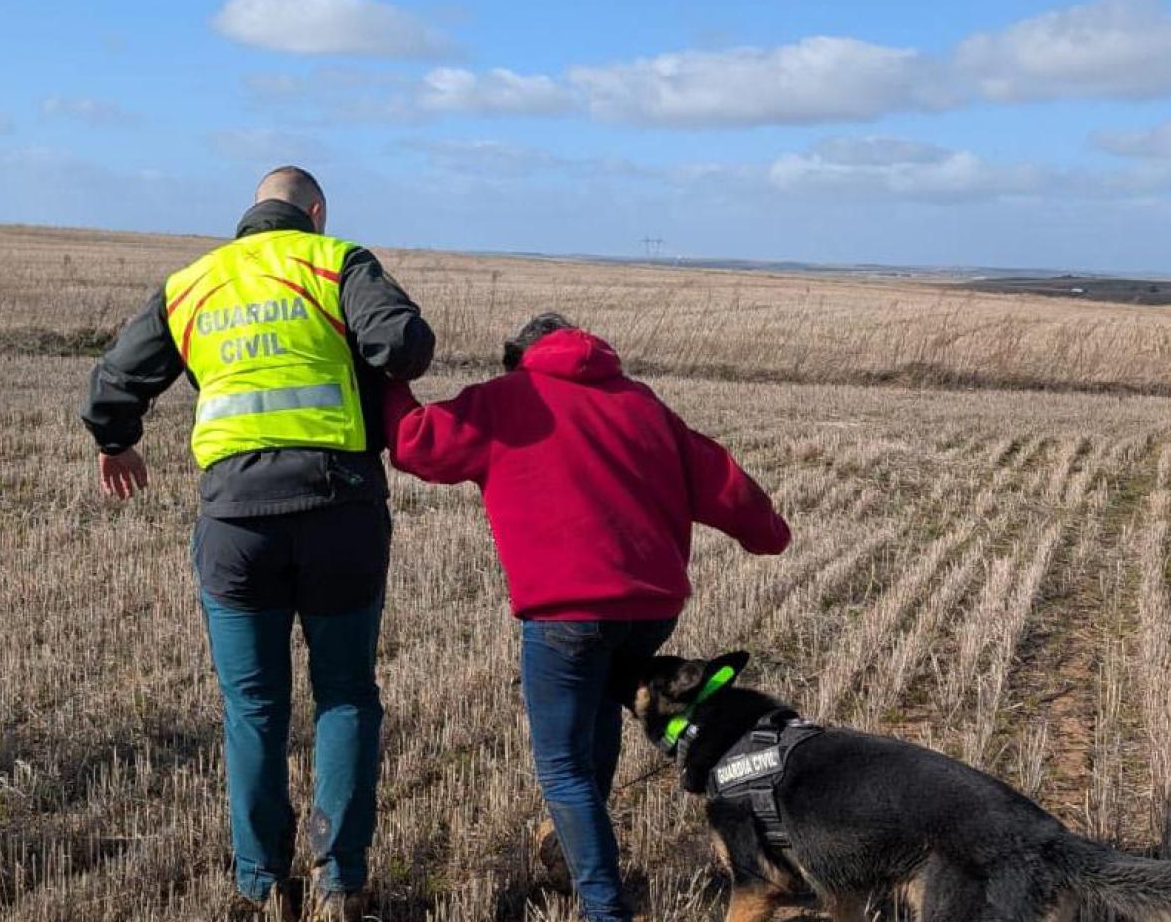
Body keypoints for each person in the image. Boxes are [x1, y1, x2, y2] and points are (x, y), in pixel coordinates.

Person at [82, 166, 434, 921]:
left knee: (252, 706)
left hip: (236, 523)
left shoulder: (194, 282)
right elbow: (402, 342)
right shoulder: (336, 260)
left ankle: (261, 881)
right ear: (316, 211)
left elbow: (115, 379)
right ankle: (342, 882)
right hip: (339, 513)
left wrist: (116, 441)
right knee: (344, 697)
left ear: (250, 212)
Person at [383, 313, 790, 922]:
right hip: (651, 611)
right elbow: (722, 479)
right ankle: (577, 848)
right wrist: (769, 533)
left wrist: (384, 379)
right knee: (598, 717)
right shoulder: (642, 404)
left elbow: (417, 442)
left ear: (519, 357)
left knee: (563, 766)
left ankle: (604, 908)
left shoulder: (507, 399)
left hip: (566, 614)